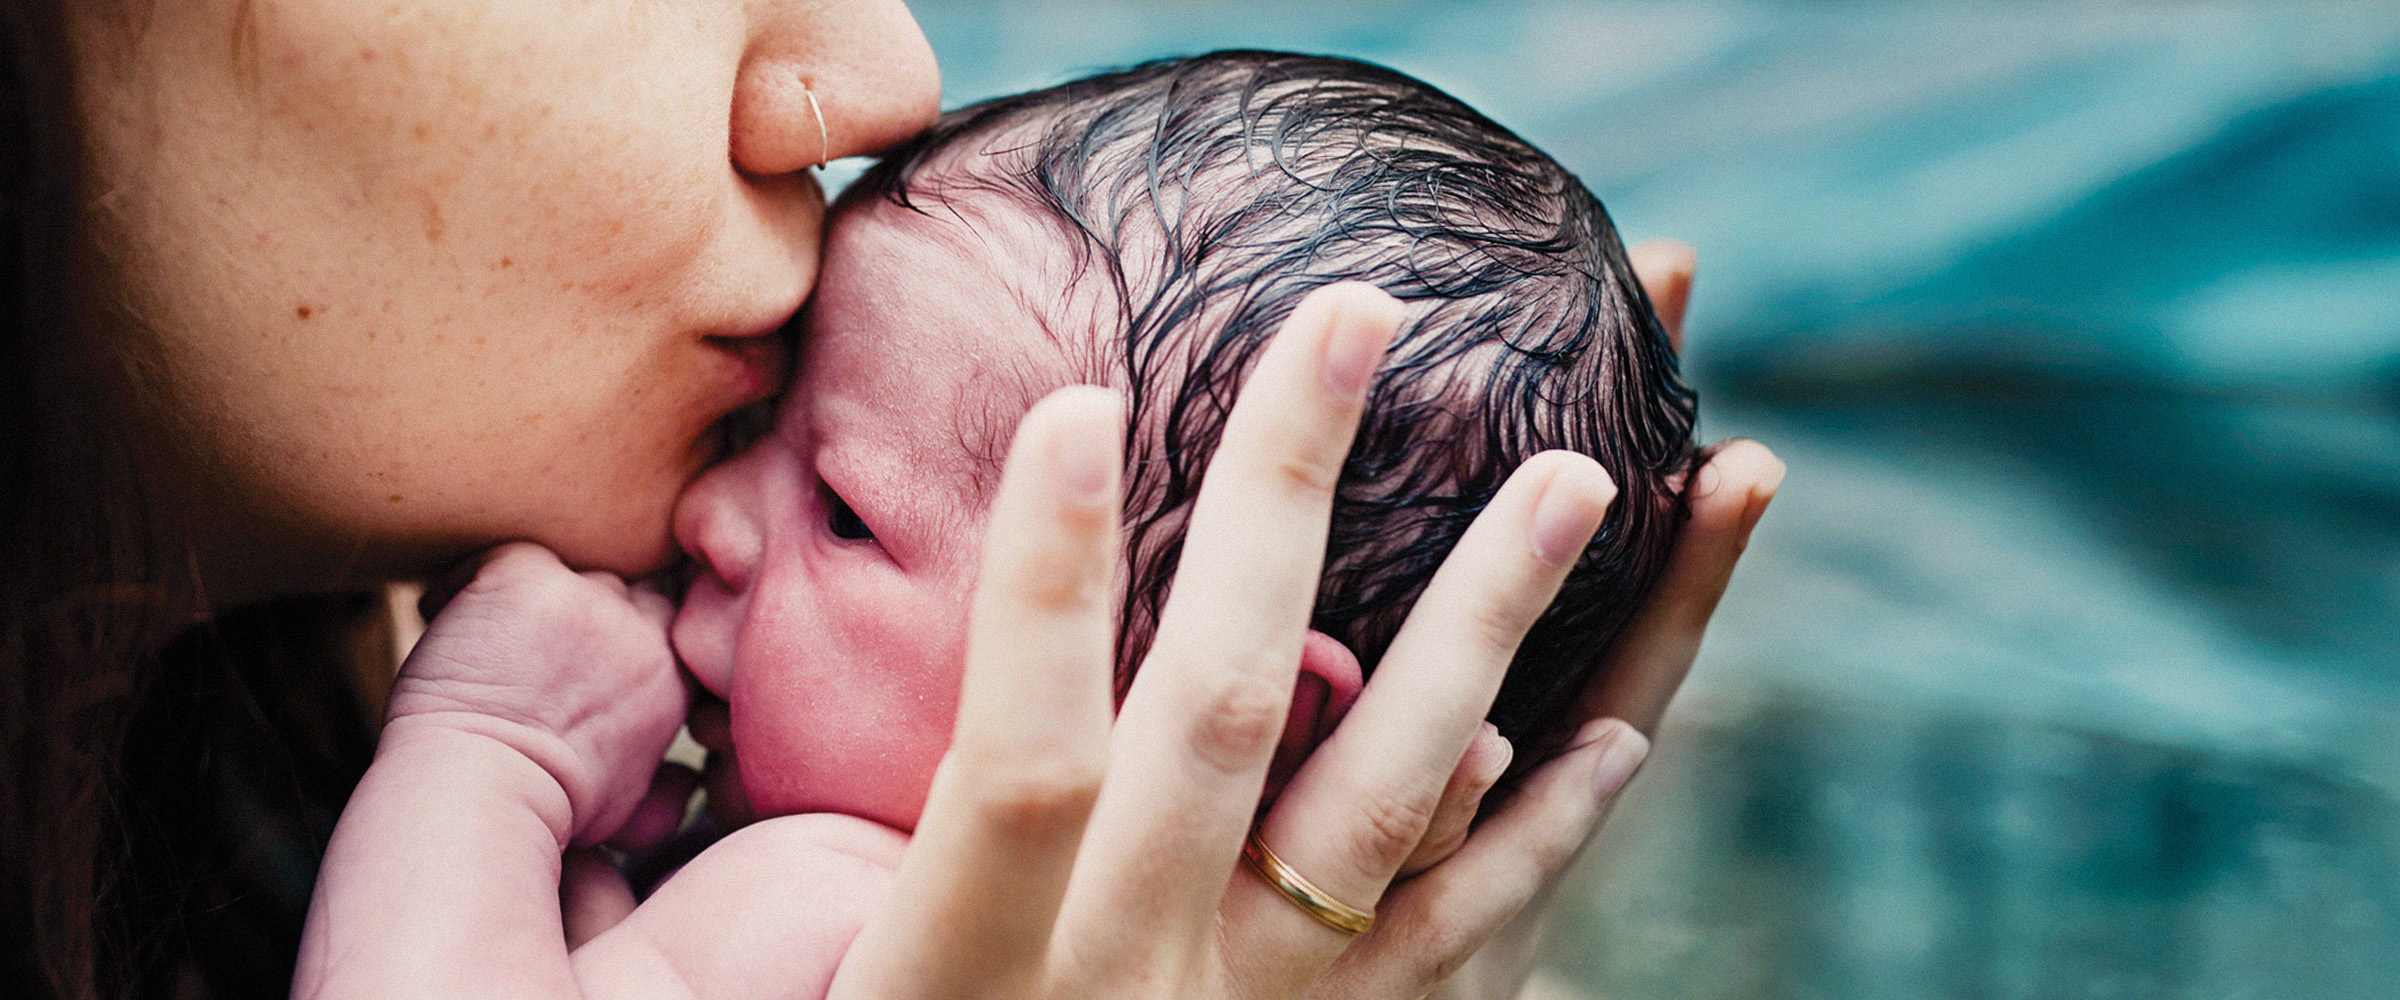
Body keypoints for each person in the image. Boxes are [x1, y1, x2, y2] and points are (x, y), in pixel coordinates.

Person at [0, 1, 1782, 997]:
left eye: (844, 509)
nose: (881, 77)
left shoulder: (809, 916)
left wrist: (488, 747)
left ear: (1213, 719)